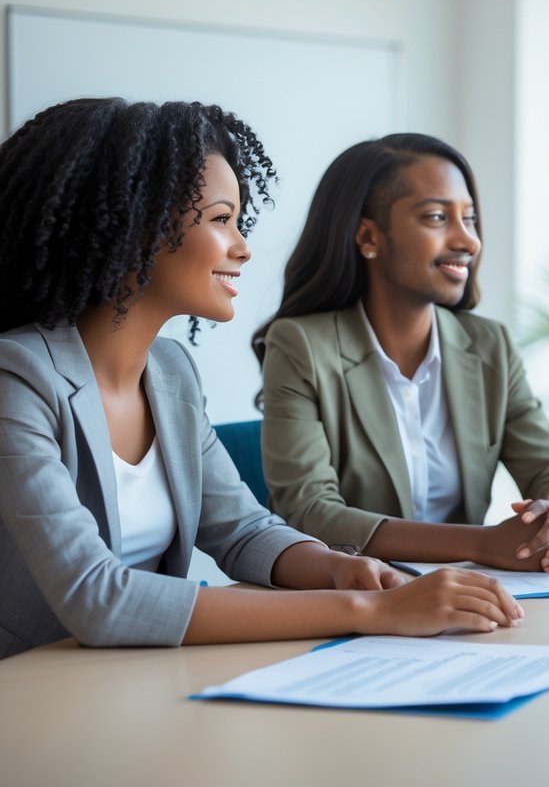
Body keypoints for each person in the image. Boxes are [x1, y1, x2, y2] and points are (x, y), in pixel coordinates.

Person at [0, 99, 522, 660]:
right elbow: (97, 598)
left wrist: (346, 572)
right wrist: (371, 613)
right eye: (221, 220)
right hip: (32, 694)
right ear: (136, 225)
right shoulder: (20, 378)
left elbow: (242, 530)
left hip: (132, 678)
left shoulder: (171, 372)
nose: (243, 247)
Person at [253, 134, 549, 573]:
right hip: (354, 601)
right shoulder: (301, 346)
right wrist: (483, 544)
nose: (467, 241)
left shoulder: (491, 347)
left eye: (469, 219)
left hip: (473, 601)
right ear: (368, 235)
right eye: (436, 217)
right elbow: (311, 512)